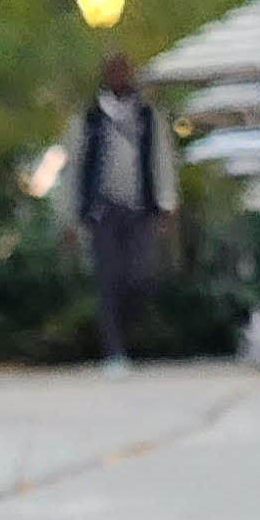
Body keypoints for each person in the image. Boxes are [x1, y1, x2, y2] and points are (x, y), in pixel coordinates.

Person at [55, 52, 182, 376]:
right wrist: (69, 216)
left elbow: (161, 160)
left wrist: (167, 203)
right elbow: (73, 167)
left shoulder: (147, 117)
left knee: (139, 276)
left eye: (123, 70)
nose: (119, 76)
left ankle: (125, 336)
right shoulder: (88, 119)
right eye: (113, 71)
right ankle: (114, 350)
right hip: (102, 211)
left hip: (140, 209)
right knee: (108, 280)